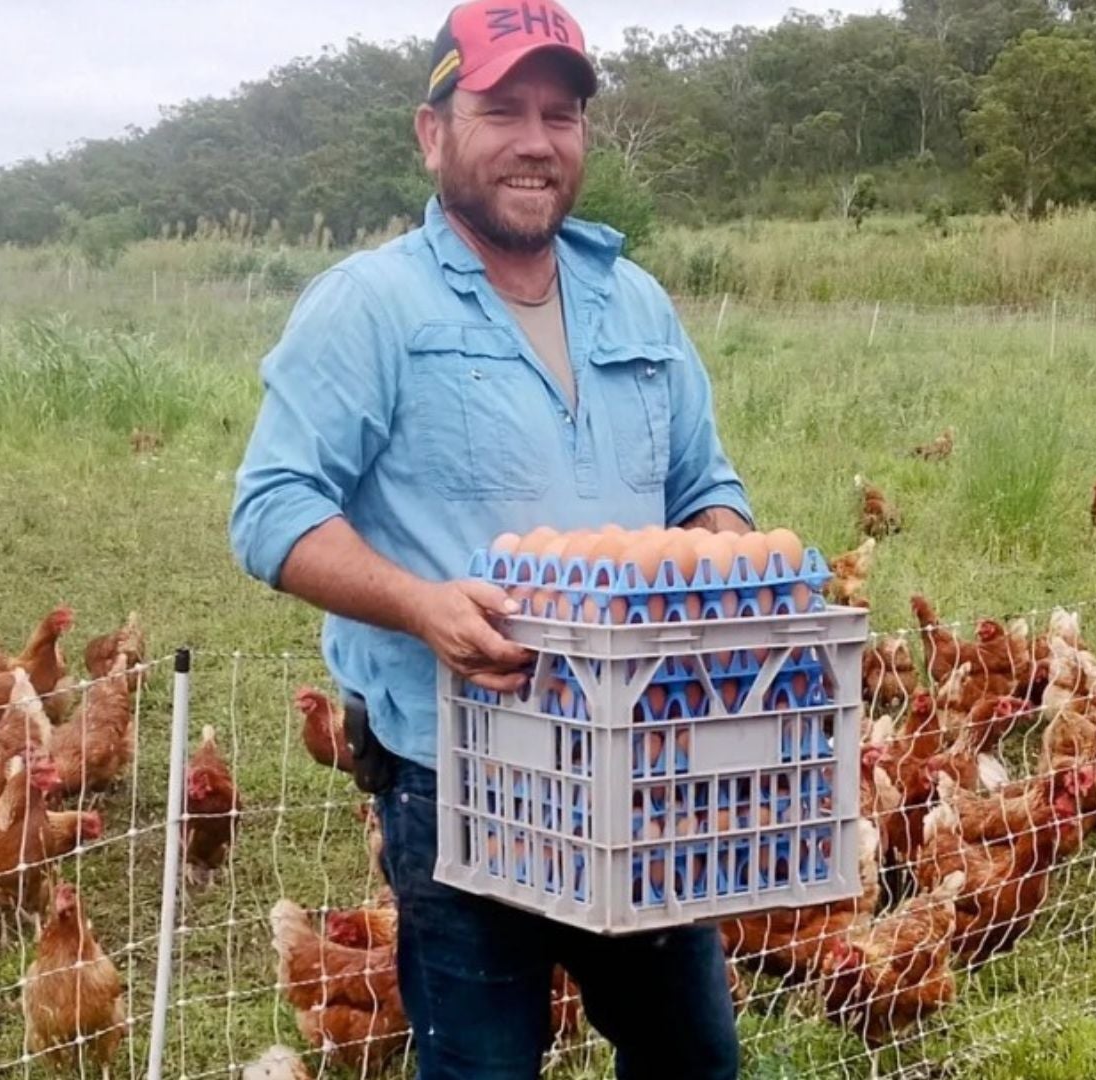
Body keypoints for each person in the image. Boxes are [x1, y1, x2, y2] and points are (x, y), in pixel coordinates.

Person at [229, 2, 750, 1076]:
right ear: (434, 133)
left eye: (560, 115)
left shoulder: (635, 302)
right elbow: (272, 512)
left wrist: (724, 553)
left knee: (694, 1059)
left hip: (642, 762)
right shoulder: (371, 306)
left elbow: (707, 481)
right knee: (483, 1067)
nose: (535, 140)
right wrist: (423, 606)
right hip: (463, 776)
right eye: (502, 109)